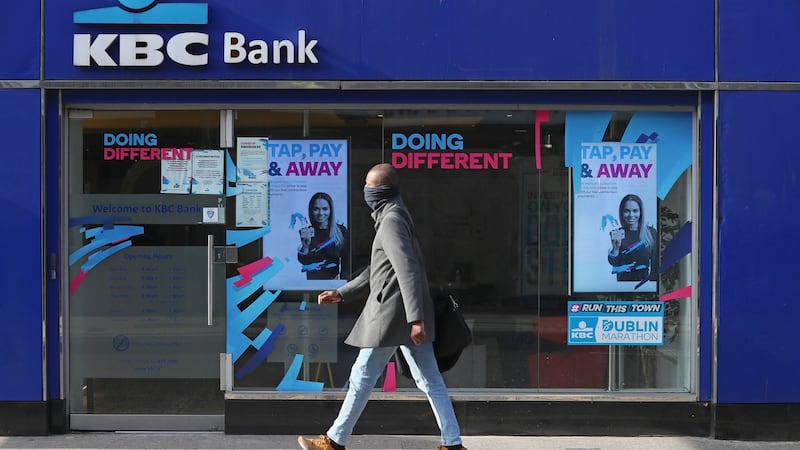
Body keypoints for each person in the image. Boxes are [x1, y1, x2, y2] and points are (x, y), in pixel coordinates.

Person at [297, 164, 466, 450]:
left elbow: (407, 269)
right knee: (429, 379)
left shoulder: (392, 220)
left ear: (380, 191)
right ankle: (452, 444)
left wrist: (415, 319)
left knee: (362, 375)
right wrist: (343, 293)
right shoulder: (394, 215)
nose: (365, 192)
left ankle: (333, 442)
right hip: (405, 316)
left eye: (369, 187)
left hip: (393, 317)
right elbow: (379, 267)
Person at [608, 193, 659, 282]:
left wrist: (652, 287)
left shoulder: (651, 233)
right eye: (627, 211)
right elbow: (614, 263)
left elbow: (655, 264)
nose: (631, 215)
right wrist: (615, 249)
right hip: (622, 287)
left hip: (645, 287)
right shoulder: (618, 233)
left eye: (635, 211)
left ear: (640, 212)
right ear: (622, 212)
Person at [297, 192, 349, 280]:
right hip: (312, 284)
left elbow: (346, 261)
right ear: (311, 211)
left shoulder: (340, 231)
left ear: (330, 210)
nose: (321, 213)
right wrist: (305, 246)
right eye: (316, 209)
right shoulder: (308, 232)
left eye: (325, 209)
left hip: (333, 284)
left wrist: (343, 285)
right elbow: (305, 262)